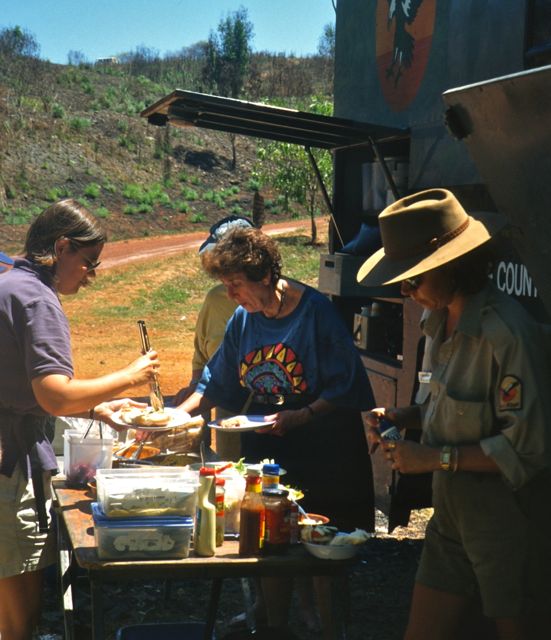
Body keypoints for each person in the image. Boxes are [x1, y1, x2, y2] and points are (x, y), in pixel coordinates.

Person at [358, 188, 551, 640]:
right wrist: (402, 415)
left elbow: (528, 447)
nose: (407, 292)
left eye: (414, 280)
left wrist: (433, 459)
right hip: (451, 519)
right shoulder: (436, 323)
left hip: (507, 523)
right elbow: (448, 408)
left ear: (452, 266)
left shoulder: (506, 333)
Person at [177, 226, 374, 635]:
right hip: (270, 445)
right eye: (225, 286)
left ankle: (326, 627)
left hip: (324, 443)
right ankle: (273, 627)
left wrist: (303, 416)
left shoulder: (315, 312)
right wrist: (178, 416)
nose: (230, 296)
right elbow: (216, 381)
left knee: (322, 544)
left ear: (265, 277)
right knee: (270, 541)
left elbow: (347, 384)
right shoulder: (243, 319)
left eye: (235, 285)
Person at [0, 199, 159, 640]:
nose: (91, 274)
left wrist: (93, 407)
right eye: (89, 262)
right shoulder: (37, 300)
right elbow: (52, 393)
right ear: (62, 246)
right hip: (8, 467)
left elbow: (22, 385)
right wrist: (129, 377)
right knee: (16, 618)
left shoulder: (10, 284)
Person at [175, 215, 255, 460]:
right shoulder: (216, 299)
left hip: (264, 411)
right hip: (224, 403)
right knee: (230, 467)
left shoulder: (270, 304)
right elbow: (202, 354)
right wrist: (193, 386)